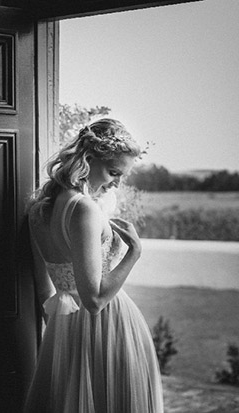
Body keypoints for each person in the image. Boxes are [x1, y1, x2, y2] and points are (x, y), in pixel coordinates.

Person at [24, 118, 164, 412]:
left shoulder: (38, 209)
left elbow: (43, 291)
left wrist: (64, 338)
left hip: (65, 329)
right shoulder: (83, 208)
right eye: (114, 172)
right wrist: (134, 251)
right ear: (88, 159)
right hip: (109, 325)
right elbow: (96, 299)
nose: (117, 182)